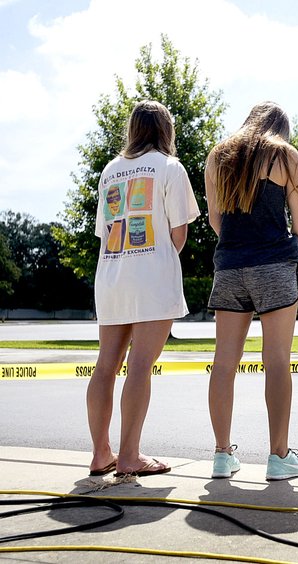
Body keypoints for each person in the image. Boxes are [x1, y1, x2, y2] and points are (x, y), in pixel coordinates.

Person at [88, 100, 200, 477]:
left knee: (105, 366)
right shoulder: (170, 167)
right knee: (140, 366)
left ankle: (101, 454)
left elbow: (104, 232)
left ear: (132, 129)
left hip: (111, 277)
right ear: (165, 129)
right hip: (150, 279)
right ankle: (131, 455)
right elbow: (179, 232)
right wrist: (159, 261)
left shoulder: (109, 171)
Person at [205, 101, 298, 481]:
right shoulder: (285, 155)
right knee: (277, 361)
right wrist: (291, 250)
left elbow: (215, 218)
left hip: (230, 266)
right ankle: (279, 457)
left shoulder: (219, 156)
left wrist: (239, 247)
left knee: (223, 363)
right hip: (275, 266)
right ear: (281, 129)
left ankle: (222, 455)